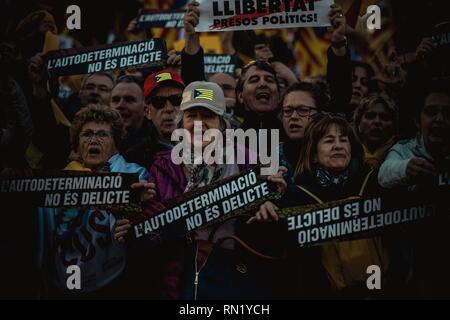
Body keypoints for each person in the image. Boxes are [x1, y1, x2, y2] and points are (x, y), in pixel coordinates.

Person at [115, 81, 288, 299]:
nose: (199, 123)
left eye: (207, 116)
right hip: (180, 274)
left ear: (222, 123)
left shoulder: (249, 158)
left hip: (238, 272)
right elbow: (153, 220)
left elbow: (272, 201)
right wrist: (133, 219)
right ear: (181, 123)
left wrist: (270, 198)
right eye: (192, 116)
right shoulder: (163, 166)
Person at [252, 114, 392, 299]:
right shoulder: (297, 194)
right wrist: (269, 204)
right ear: (314, 155)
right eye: (328, 141)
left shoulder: (375, 182)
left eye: (344, 140)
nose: (338, 145)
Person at [38, 104, 153, 299]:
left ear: (115, 143)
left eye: (102, 135)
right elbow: (52, 236)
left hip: (114, 280)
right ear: (77, 145)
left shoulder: (135, 174)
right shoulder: (58, 181)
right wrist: (73, 198)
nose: (94, 140)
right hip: (62, 283)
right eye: (87, 134)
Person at [378, 82, 450, 298]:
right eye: (431, 112)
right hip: (413, 259)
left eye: (447, 113)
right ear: (418, 122)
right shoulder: (404, 149)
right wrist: (405, 169)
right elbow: (384, 173)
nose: (439, 119)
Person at [279, 82, 328, 183]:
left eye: (303, 110)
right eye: (288, 110)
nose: (293, 117)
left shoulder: (334, 151)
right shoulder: (271, 157)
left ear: (320, 114)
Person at [142, 69, 185, 163]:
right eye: (158, 102)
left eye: (176, 99)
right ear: (147, 112)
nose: (168, 109)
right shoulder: (136, 157)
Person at [110, 75, 153, 167]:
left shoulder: (157, 149)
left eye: (129, 100)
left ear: (145, 108)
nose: (120, 105)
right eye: (115, 100)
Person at [354, 93, 398, 168]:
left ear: (393, 124)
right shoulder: (348, 150)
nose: (377, 121)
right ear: (359, 121)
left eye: (384, 117)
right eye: (370, 116)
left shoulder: (402, 154)